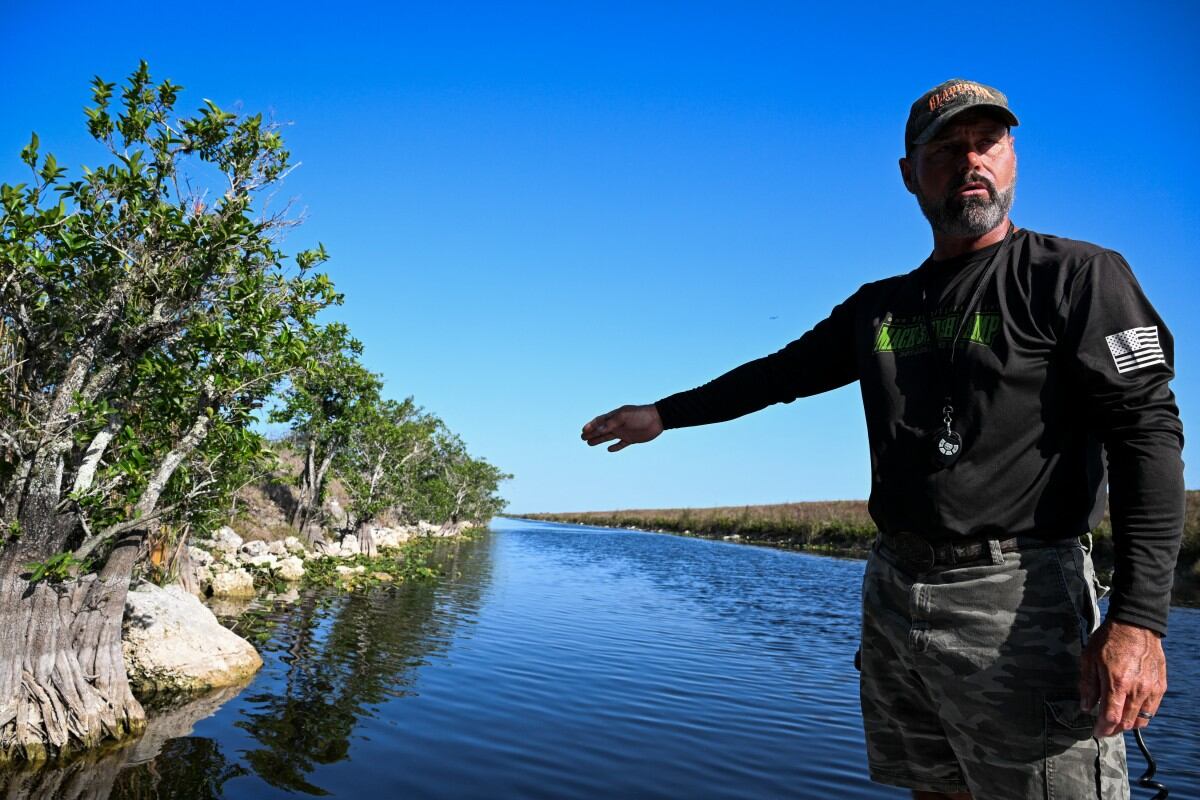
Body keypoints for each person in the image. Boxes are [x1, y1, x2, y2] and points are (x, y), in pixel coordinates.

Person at [580, 78, 1184, 799]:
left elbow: (1147, 435)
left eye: (988, 144)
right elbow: (780, 374)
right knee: (933, 790)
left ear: (1014, 159)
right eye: (947, 149)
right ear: (909, 175)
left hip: (1021, 595)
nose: (972, 163)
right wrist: (664, 414)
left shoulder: (1075, 276)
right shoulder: (881, 308)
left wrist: (1139, 623)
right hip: (895, 590)